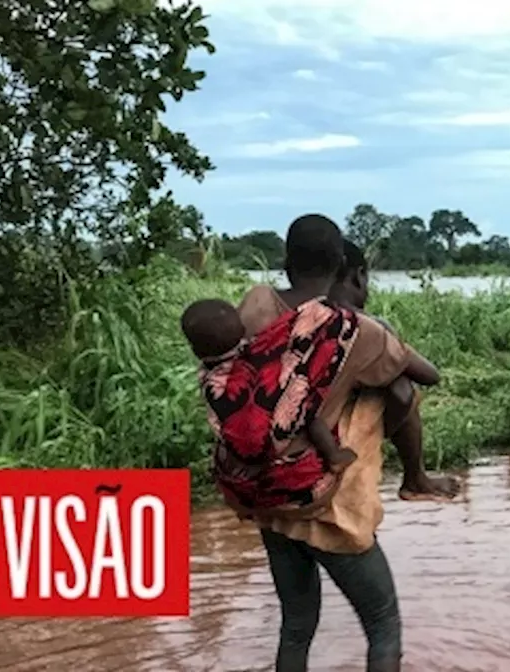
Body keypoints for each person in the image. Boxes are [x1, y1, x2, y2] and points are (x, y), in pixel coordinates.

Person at [230, 214, 417, 672]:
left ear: (285, 262)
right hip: (333, 502)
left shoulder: (257, 308)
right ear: (345, 268)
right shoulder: (356, 330)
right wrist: (415, 469)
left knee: (296, 626)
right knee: (383, 625)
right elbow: (404, 388)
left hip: (271, 497)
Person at [328, 240, 457, 501]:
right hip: (337, 436)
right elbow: (429, 376)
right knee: (401, 384)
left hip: (283, 435)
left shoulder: (284, 319)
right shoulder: (363, 327)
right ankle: (415, 476)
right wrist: (391, 342)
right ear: (358, 277)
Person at [182, 297, 358, 476]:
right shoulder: (257, 352)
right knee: (307, 408)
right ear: (243, 330)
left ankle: (247, 462)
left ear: (196, 351)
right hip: (275, 437)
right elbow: (279, 345)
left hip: (242, 452)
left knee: (229, 426)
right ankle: (334, 455)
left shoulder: (208, 377)